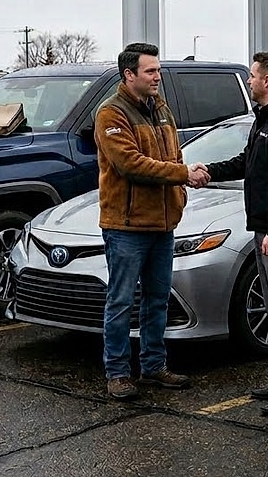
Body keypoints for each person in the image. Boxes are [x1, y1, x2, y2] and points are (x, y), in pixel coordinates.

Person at [196, 52, 268, 416]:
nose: (248, 81)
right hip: (260, 229)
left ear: (267, 81)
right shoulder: (265, 120)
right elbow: (246, 164)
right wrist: (206, 171)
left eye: (252, 76)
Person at [95, 42, 209, 401]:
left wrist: (180, 189)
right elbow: (130, 164)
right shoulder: (111, 114)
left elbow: (174, 152)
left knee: (157, 299)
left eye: (157, 70)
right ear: (129, 75)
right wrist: (182, 175)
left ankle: (153, 366)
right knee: (121, 301)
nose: (158, 76)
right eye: (150, 71)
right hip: (127, 226)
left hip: (162, 224)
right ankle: (117, 372)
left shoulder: (160, 108)